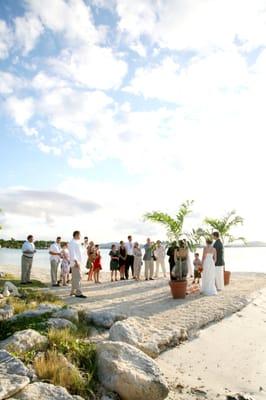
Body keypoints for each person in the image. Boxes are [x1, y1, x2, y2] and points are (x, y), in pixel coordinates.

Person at [69, 231, 86, 298]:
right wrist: (76, 262)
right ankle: (78, 293)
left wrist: (85, 245)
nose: (80, 236)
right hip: (75, 262)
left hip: (78, 262)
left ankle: (72, 292)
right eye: (79, 235)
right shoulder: (72, 242)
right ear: (76, 235)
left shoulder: (76, 242)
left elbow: (81, 252)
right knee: (78, 277)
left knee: (74, 278)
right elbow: (72, 253)